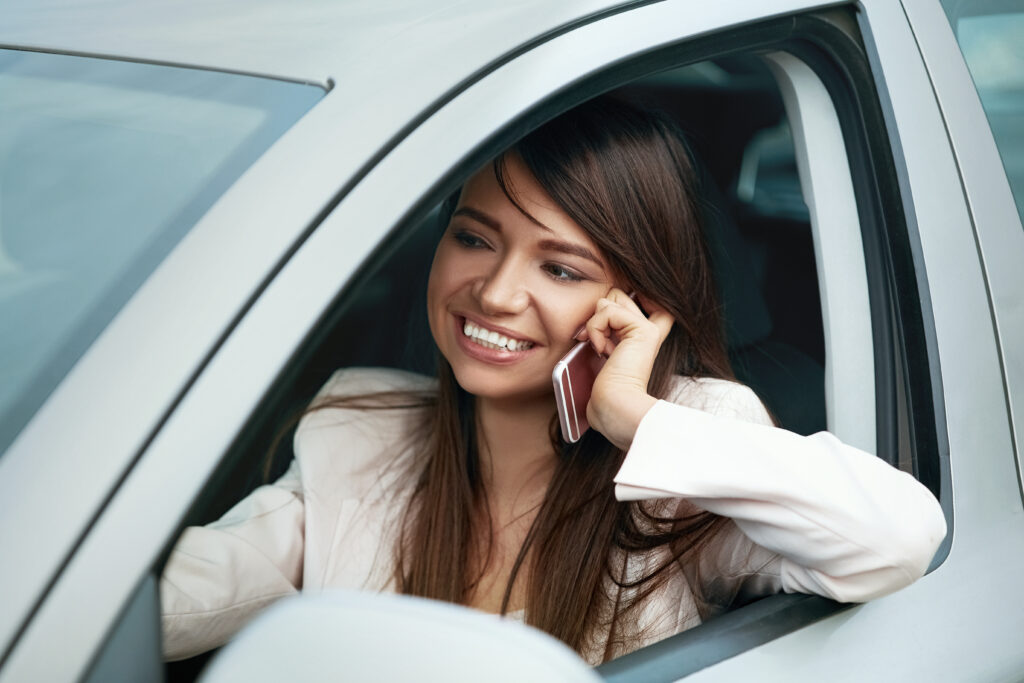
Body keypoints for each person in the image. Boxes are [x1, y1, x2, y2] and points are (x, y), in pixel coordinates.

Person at [160, 97, 946, 665]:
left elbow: (898, 539)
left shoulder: (683, 458)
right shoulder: (361, 434)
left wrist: (632, 416)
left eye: (560, 266)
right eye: (473, 238)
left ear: (633, 303)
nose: (496, 293)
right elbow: (170, 595)